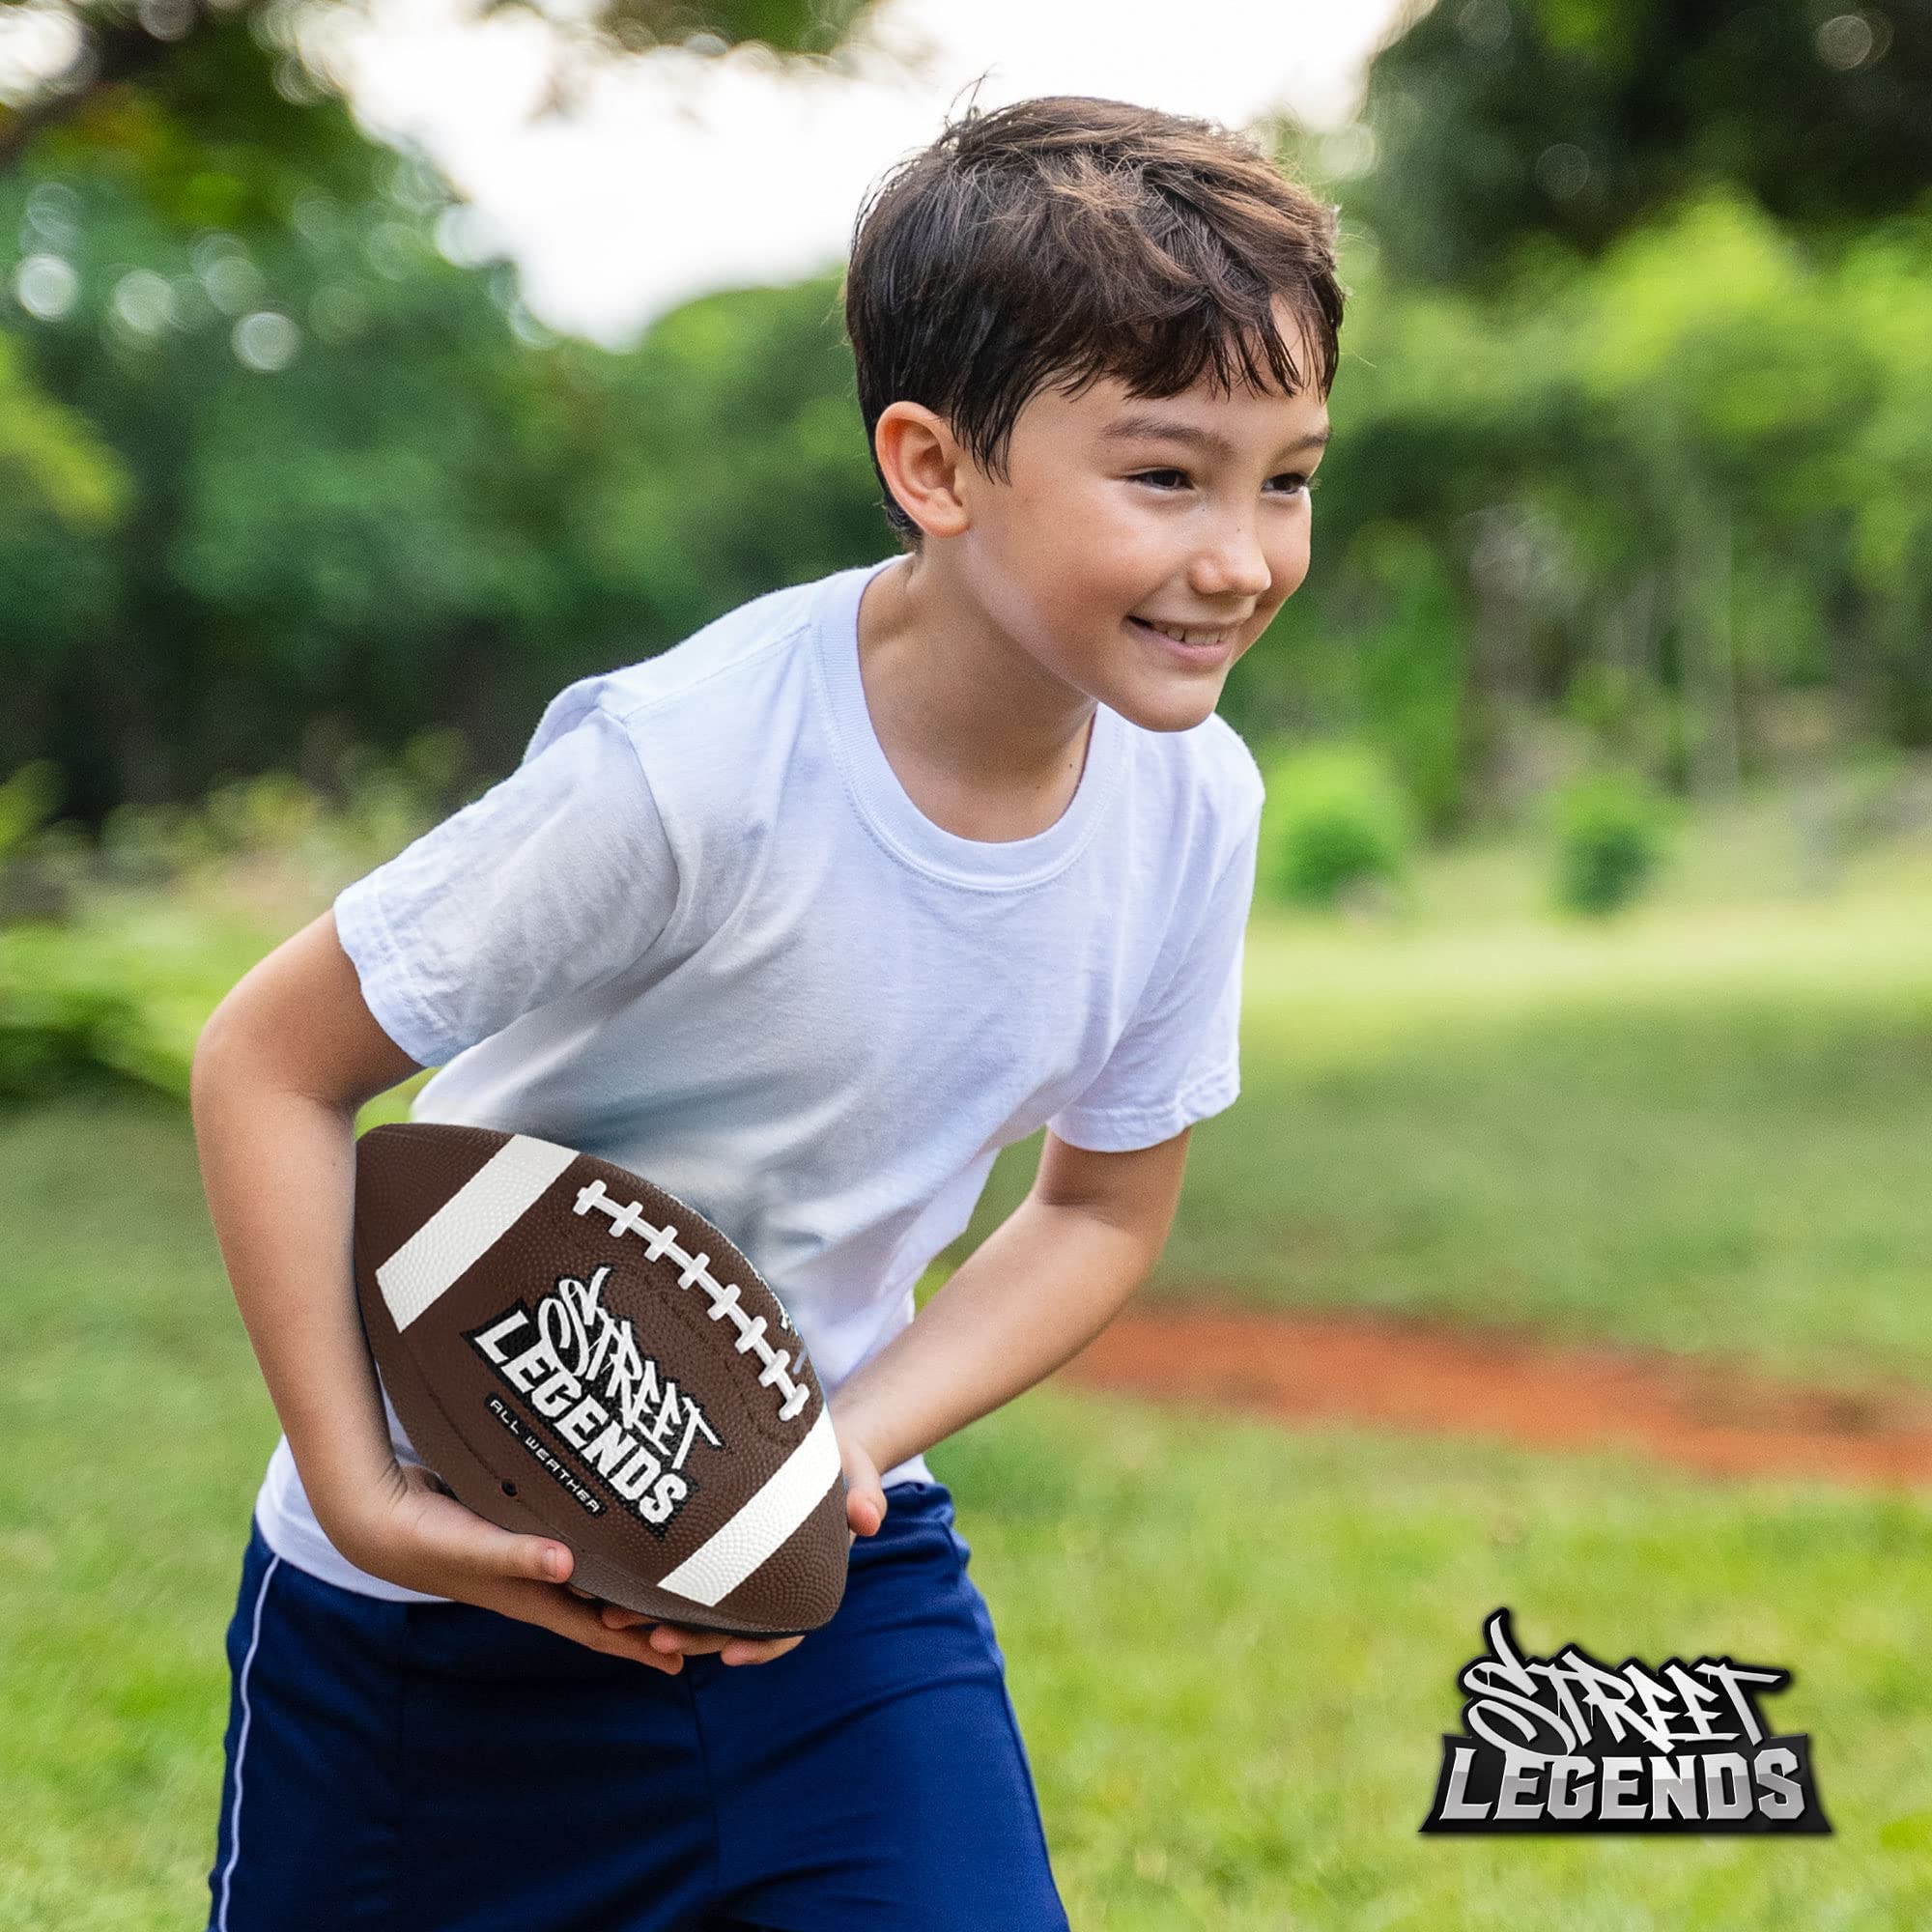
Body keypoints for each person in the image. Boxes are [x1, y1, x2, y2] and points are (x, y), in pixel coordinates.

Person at [189, 90, 1344, 1932]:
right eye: (1165, 473)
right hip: (446, 1619)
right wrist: (363, 1487)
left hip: (833, 1611)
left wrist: (841, 1454)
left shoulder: (1195, 804)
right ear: (935, 463)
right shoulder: (689, 770)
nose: (1241, 556)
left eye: (1284, 477)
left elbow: (1101, 1208)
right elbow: (269, 1060)